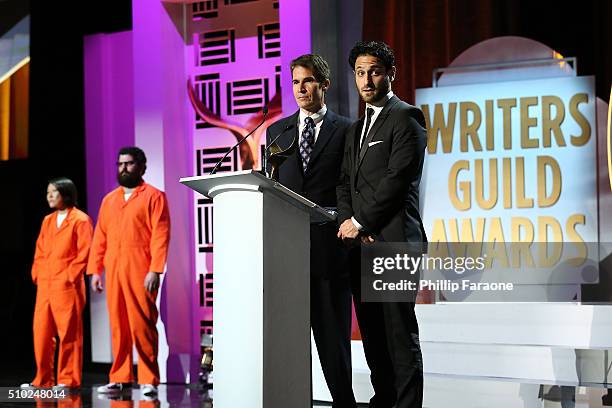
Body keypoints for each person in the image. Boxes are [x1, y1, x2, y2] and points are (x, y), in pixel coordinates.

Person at [337, 41, 428, 408]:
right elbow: (344, 182)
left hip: (395, 242)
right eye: (359, 72)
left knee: (398, 336)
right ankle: (385, 400)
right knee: (373, 337)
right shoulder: (355, 128)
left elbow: (397, 180)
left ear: (390, 73)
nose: (366, 79)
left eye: (374, 71)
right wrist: (347, 221)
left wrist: (360, 221)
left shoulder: (407, 117)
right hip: (361, 247)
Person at [266, 54, 356, 407]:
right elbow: (272, 187)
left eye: (307, 81)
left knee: (332, 339)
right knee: (287, 339)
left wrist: (339, 218)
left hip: (329, 250)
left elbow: (351, 186)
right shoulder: (278, 130)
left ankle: (343, 403)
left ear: (324, 84)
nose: (301, 89)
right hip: (286, 253)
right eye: (295, 82)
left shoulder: (346, 129)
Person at [87, 146, 171, 397]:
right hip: (114, 267)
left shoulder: (154, 196)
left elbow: (160, 235)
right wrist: (95, 270)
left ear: (142, 167)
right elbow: (100, 236)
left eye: (130, 163)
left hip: (140, 267)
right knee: (118, 325)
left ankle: (149, 379)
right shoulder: (109, 200)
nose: (124, 168)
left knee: (142, 324)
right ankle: (120, 377)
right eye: (120, 164)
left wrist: (155, 270)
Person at [24, 178, 93, 390]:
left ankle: (68, 380)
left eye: (54, 192)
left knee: (69, 334)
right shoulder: (47, 220)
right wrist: (37, 272)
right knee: (42, 333)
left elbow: (85, 252)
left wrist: (70, 276)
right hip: (46, 284)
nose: (50, 197)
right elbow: (40, 250)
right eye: (48, 193)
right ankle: (42, 380)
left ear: (66, 193)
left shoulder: (80, 220)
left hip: (67, 286)